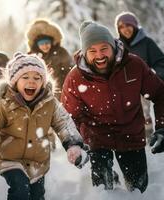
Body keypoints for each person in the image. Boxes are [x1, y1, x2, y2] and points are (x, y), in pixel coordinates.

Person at [61, 20, 164, 193]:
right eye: (92, 51)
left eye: (104, 48)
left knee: (139, 191)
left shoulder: (134, 65)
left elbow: (160, 94)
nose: (99, 55)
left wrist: (162, 128)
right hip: (96, 139)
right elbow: (69, 115)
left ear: (113, 46)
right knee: (104, 192)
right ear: (85, 53)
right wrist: (75, 144)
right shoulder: (75, 77)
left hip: (131, 136)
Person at [0, 53, 88, 200]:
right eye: (25, 77)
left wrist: (73, 145)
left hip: (38, 163)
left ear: (43, 82)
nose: (31, 82)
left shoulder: (49, 103)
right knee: (20, 190)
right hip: (10, 160)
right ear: (14, 82)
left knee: (37, 195)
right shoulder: (5, 105)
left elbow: (64, 123)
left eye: (37, 78)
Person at [115, 11, 164, 142]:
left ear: (135, 26)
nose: (125, 29)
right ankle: (130, 138)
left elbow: (160, 62)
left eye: (128, 25)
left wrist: (156, 76)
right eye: (121, 27)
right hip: (123, 86)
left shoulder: (147, 43)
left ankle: (147, 137)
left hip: (142, 84)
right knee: (126, 114)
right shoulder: (117, 45)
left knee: (143, 111)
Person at [26, 19, 73, 99]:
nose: (45, 46)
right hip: (37, 94)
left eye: (47, 43)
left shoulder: (60, 52)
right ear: (37, 45)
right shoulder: (31, 56)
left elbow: (69, 71)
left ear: (51, 42)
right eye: (41, 43)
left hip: (59, 92)